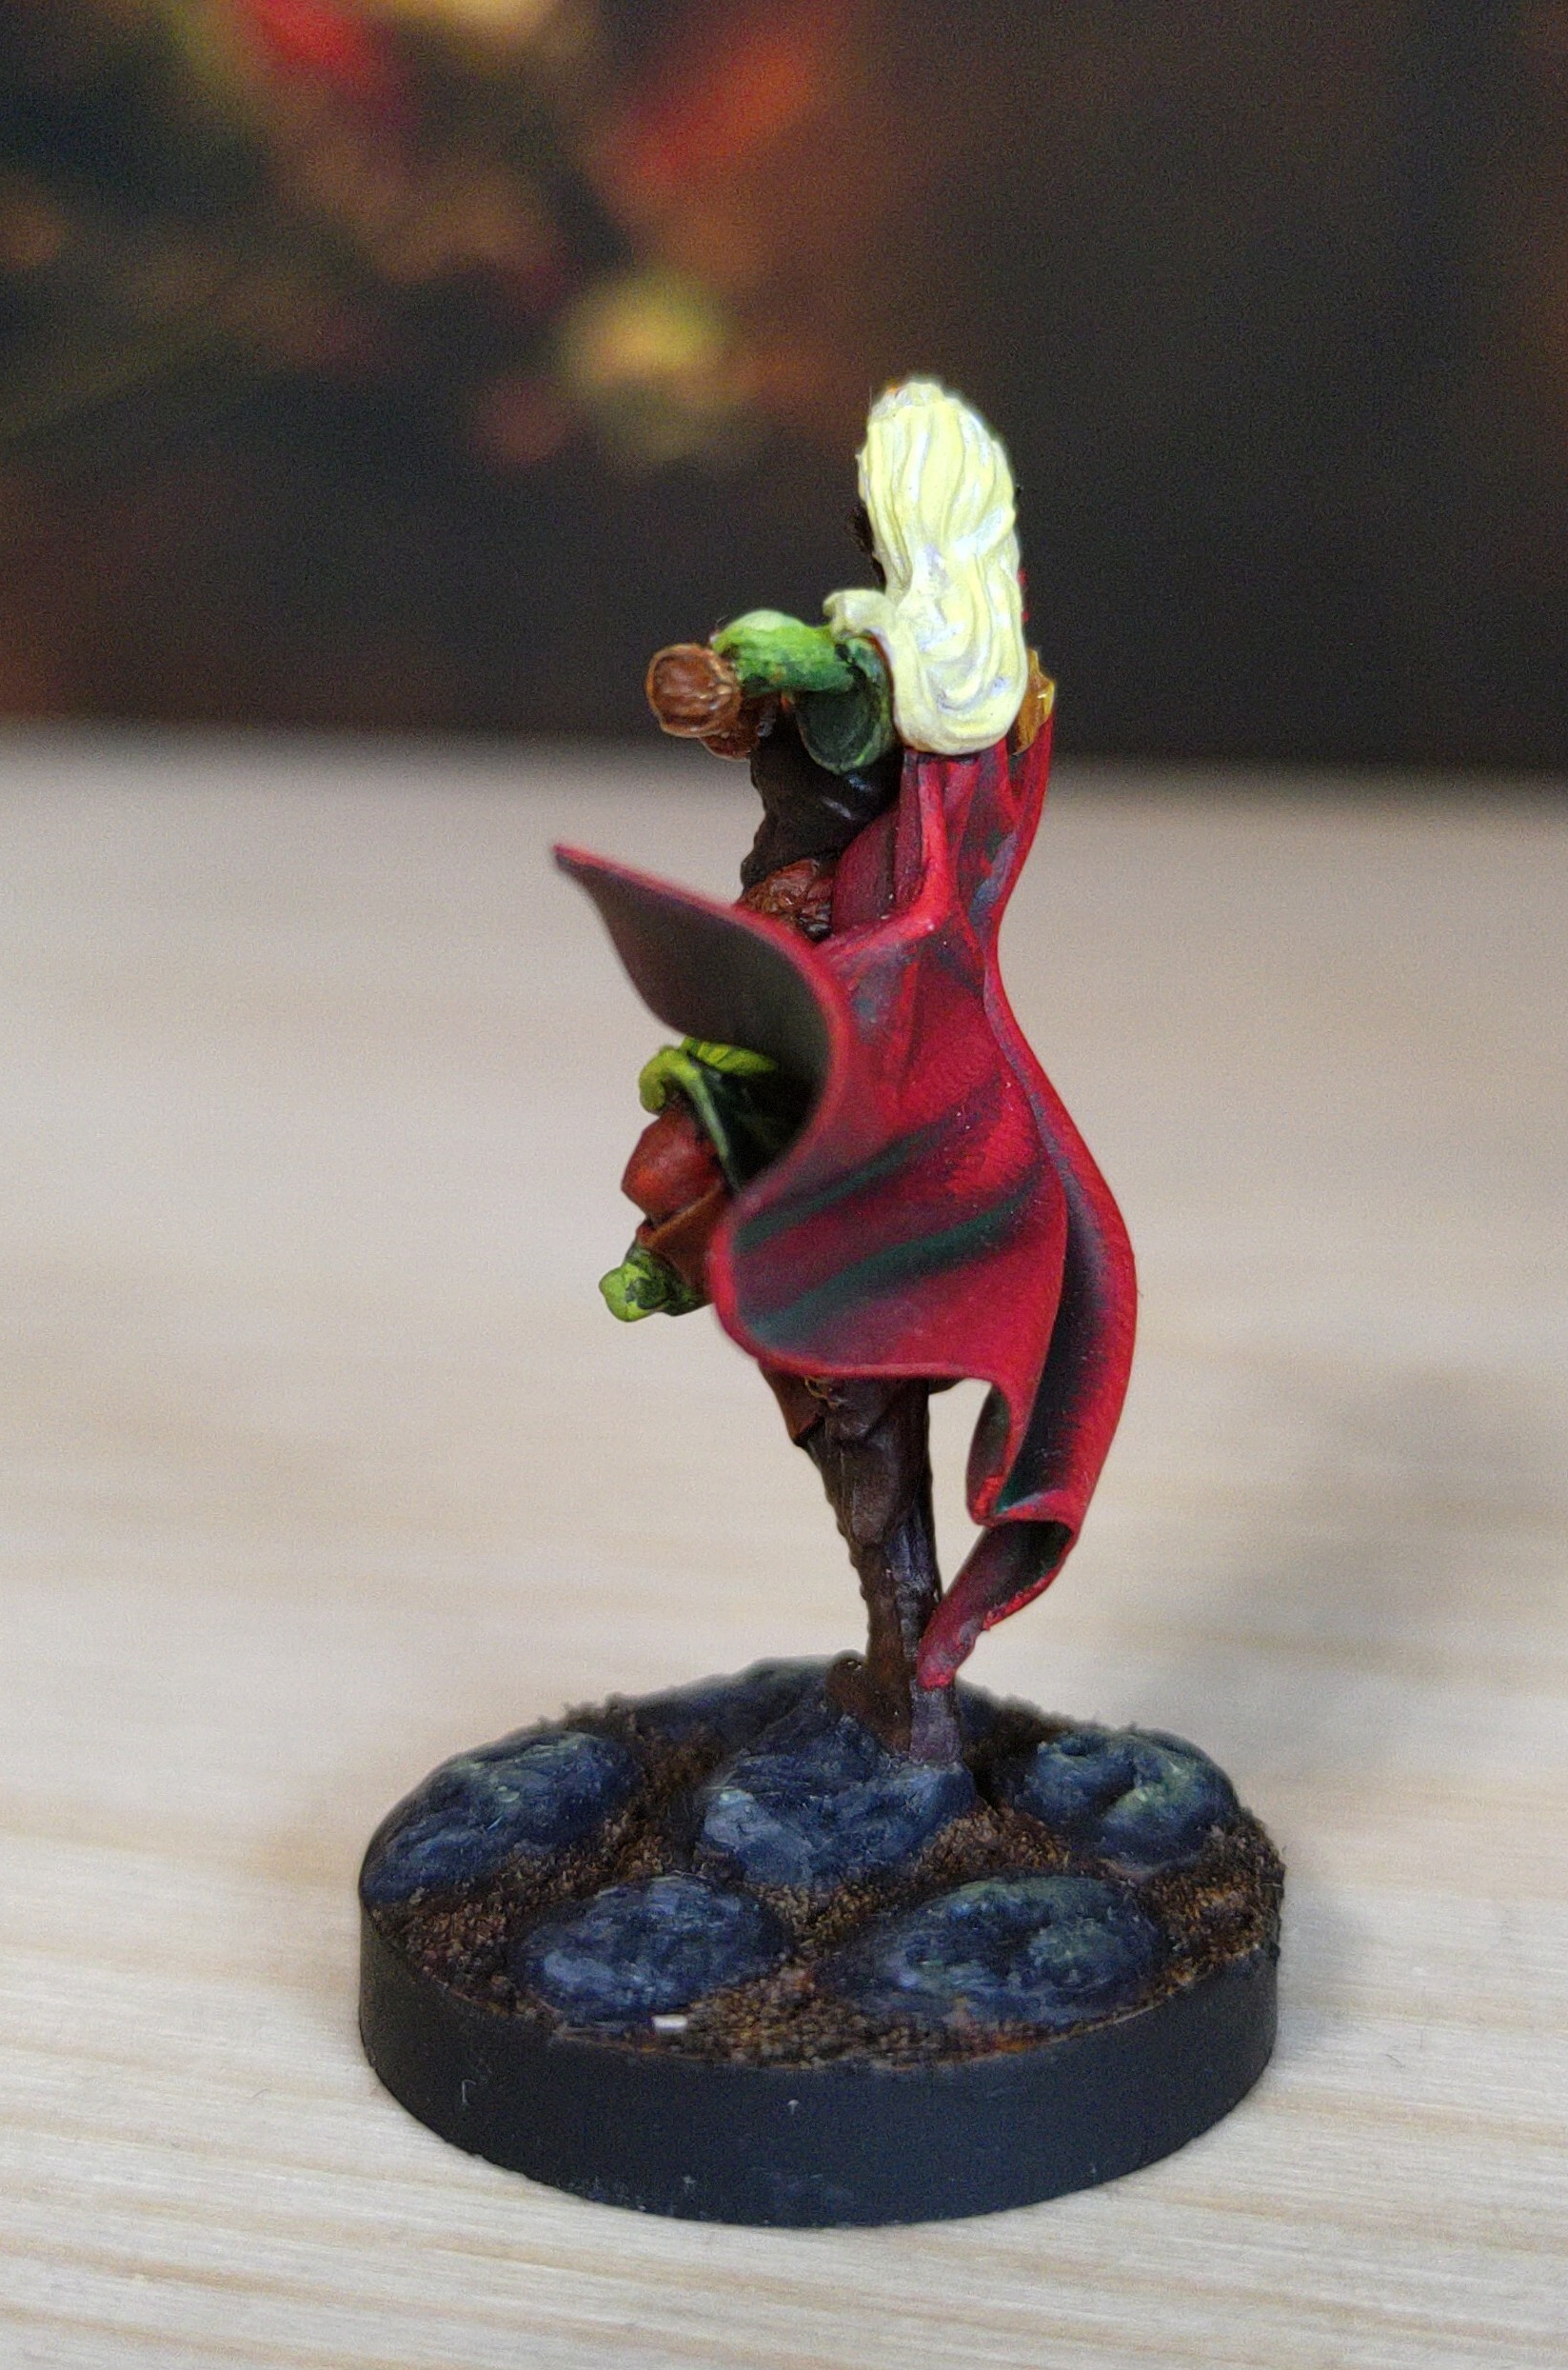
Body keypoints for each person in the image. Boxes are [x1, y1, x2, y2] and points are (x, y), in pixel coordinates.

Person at [559, 378, 1134, 1764]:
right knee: (798, 1291)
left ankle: (907, 1662)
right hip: (875, 1008)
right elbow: (783, 695)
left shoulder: (894, 663)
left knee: (778, 1260)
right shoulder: (981, 681)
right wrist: (738, 695)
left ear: (890, 519)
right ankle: (904, 1653)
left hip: (854, 1005)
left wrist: (752, 672)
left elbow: (807, 674)